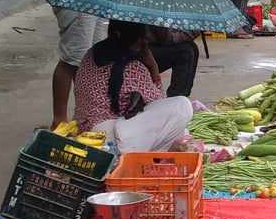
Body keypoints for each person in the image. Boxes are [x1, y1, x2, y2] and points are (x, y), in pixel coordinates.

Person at [73, 19, 194, 152]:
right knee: (182, 106)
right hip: (108, 142)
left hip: (82, 131)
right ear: (139, 40)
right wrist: (153, 67)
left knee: (179, 130)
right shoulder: (134, 69)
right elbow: (159, 103)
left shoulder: (91, 53)